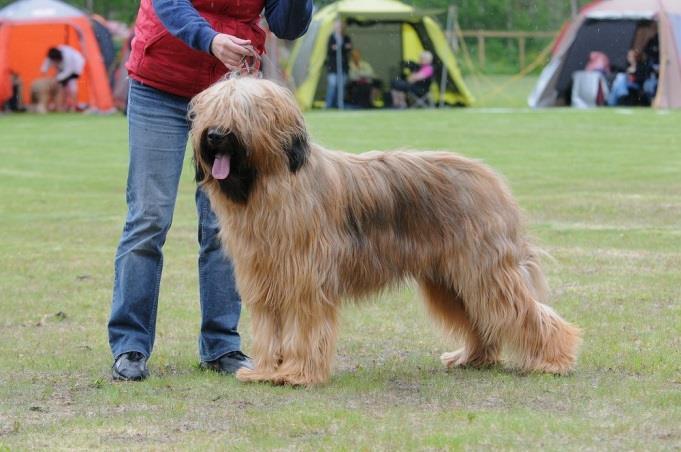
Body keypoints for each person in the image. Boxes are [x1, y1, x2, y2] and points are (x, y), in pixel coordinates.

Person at [108, 0, 313, 381]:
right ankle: (130, 345)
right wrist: (209, 39)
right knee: (148, 218)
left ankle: (221, 345)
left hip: (231, 96)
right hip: (161, 85)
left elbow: (288, 26)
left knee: (226, 226)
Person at [40, 45, 85, 111]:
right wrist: (46, 78)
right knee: (61, 86)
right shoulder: (51, 56)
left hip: (75, 67)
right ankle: (63, 105)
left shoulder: (68, 57)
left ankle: (74, 105)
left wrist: (56, 79)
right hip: (63, 69)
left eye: (56, 61)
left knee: (72, 85)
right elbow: (44, 68)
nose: (54, 63)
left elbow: (68, 72)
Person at [325, 20, 352, 109]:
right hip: (333, 67)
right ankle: (329, 105)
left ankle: (339, 104)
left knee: (341, 87)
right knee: (332, 86)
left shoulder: (346, 37)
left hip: (343, 66)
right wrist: (342, 47)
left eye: (340, 27)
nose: (339, 28)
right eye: (337, 26)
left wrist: (338, 47)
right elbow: (330, 50)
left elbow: (349, 48)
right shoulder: (331, 38)